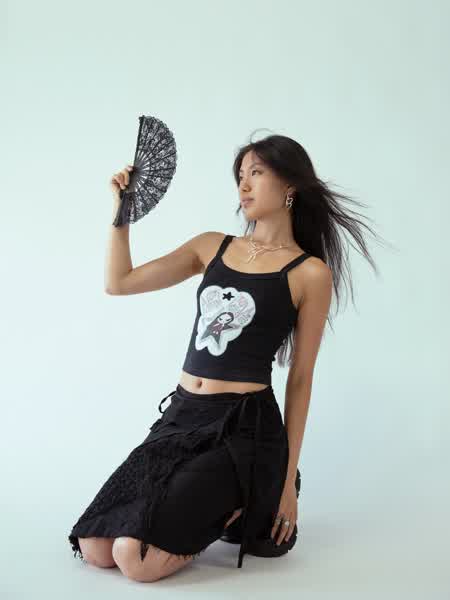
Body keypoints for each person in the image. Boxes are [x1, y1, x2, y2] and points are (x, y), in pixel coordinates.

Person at [68, 133, 381, 583]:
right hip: (181, 417)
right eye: (240, 176)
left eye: (256, 173)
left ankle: (245, 499)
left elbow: (301, 379)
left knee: (133, 559)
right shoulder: (212, 245)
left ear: (290, 185)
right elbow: (120, 282)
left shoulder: (310, 273)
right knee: (95, 547)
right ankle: (215, 506)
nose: (244, 186)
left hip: (242, 431)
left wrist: (285, 483)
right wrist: (123, 213)